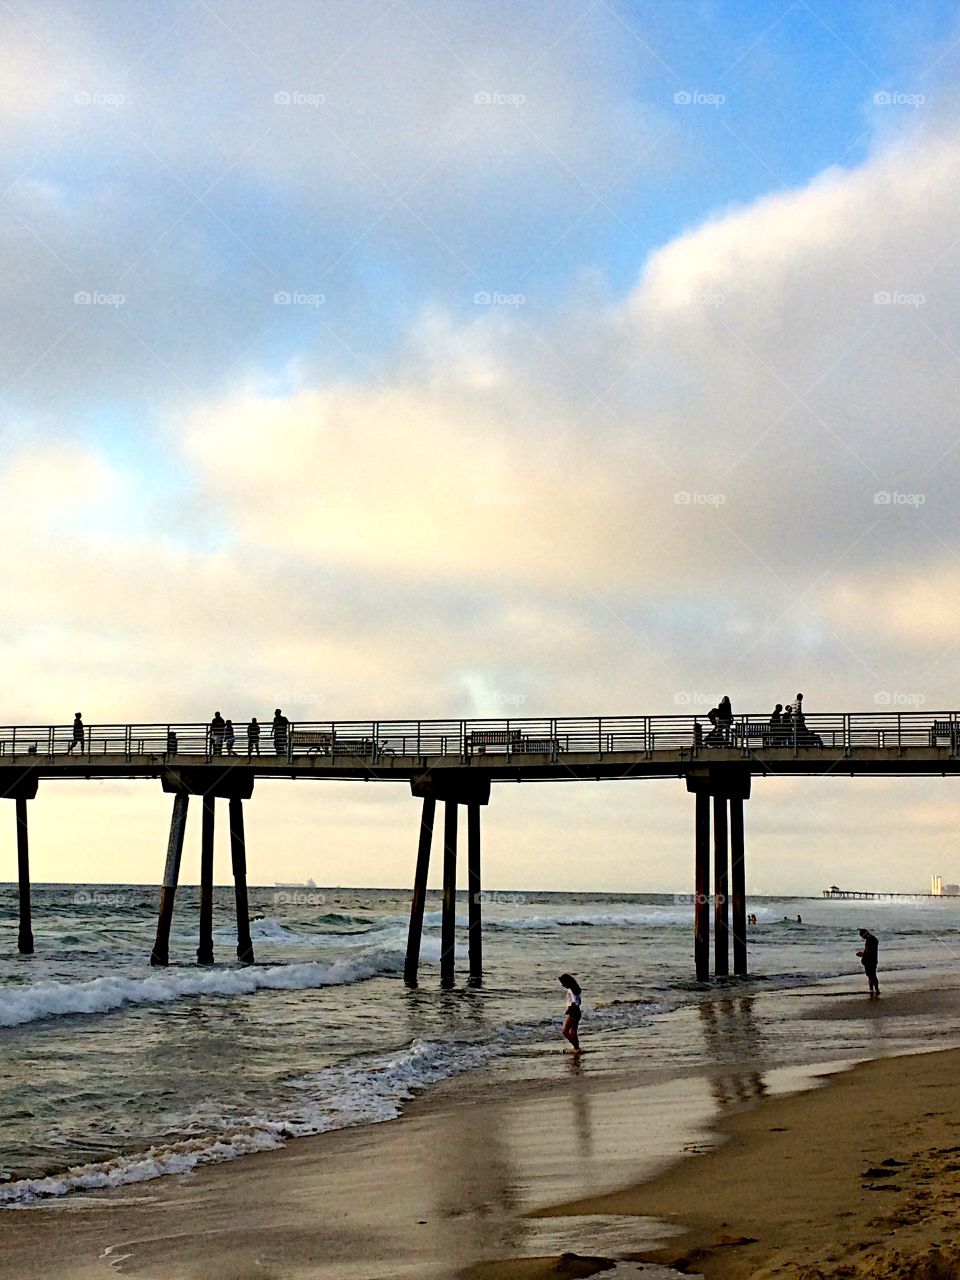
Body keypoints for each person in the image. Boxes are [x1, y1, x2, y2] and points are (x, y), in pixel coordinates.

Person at [559, 973, 583, 1055]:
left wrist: (569, 1010)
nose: (562, 985)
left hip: (573, 1012)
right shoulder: (575, 989)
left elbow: (575, 1002)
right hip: (577, 1011)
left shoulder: (571, 990)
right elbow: (579, 1001)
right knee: (573, 1032)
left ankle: (576, 1046)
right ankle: (576, 1047)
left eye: (562, 983)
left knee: (565, 1031)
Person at [857, 928, 880, 998]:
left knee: (872, 976)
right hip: (872, 960)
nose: (862, 938)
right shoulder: (873, 939)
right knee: (871, 975)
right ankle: (873, 989)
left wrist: (861, 954)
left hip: (870, 961)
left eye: (862, 936)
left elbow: (868, 951)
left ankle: (874, 989)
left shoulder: (870, 940)